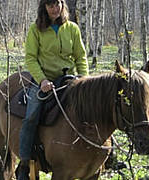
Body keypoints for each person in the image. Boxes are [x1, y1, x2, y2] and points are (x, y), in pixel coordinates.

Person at [18, 0, 89, 179]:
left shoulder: (72, 28)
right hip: (44, 81)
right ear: (44, 7)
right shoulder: (36, 30)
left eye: (57, 4)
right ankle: (24, 164)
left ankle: (106, 154)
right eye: (50, 5)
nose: (54, 8)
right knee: (31, 116)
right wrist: (42, 80)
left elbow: (80, 56)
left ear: (62, 5)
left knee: (93, 108)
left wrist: (84, 78)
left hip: (69, 79)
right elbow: (31, 58)